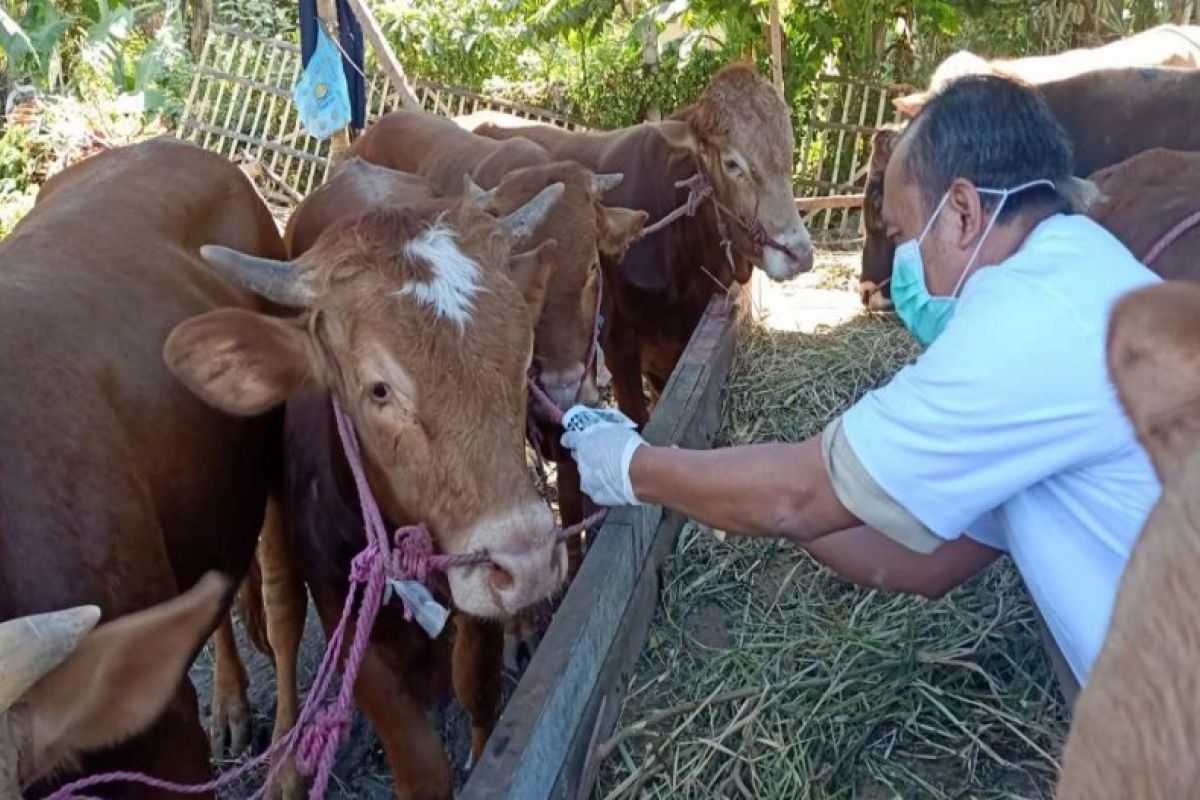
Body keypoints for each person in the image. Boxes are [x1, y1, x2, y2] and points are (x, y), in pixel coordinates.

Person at [560, 75, 1161, 687]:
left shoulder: (1025, 320)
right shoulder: (1085, 266)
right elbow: (928, 562)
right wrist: (740, 493)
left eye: (900, 237)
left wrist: (633, 466)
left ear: (962, 212)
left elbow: (797, 495)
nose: (901, 266)